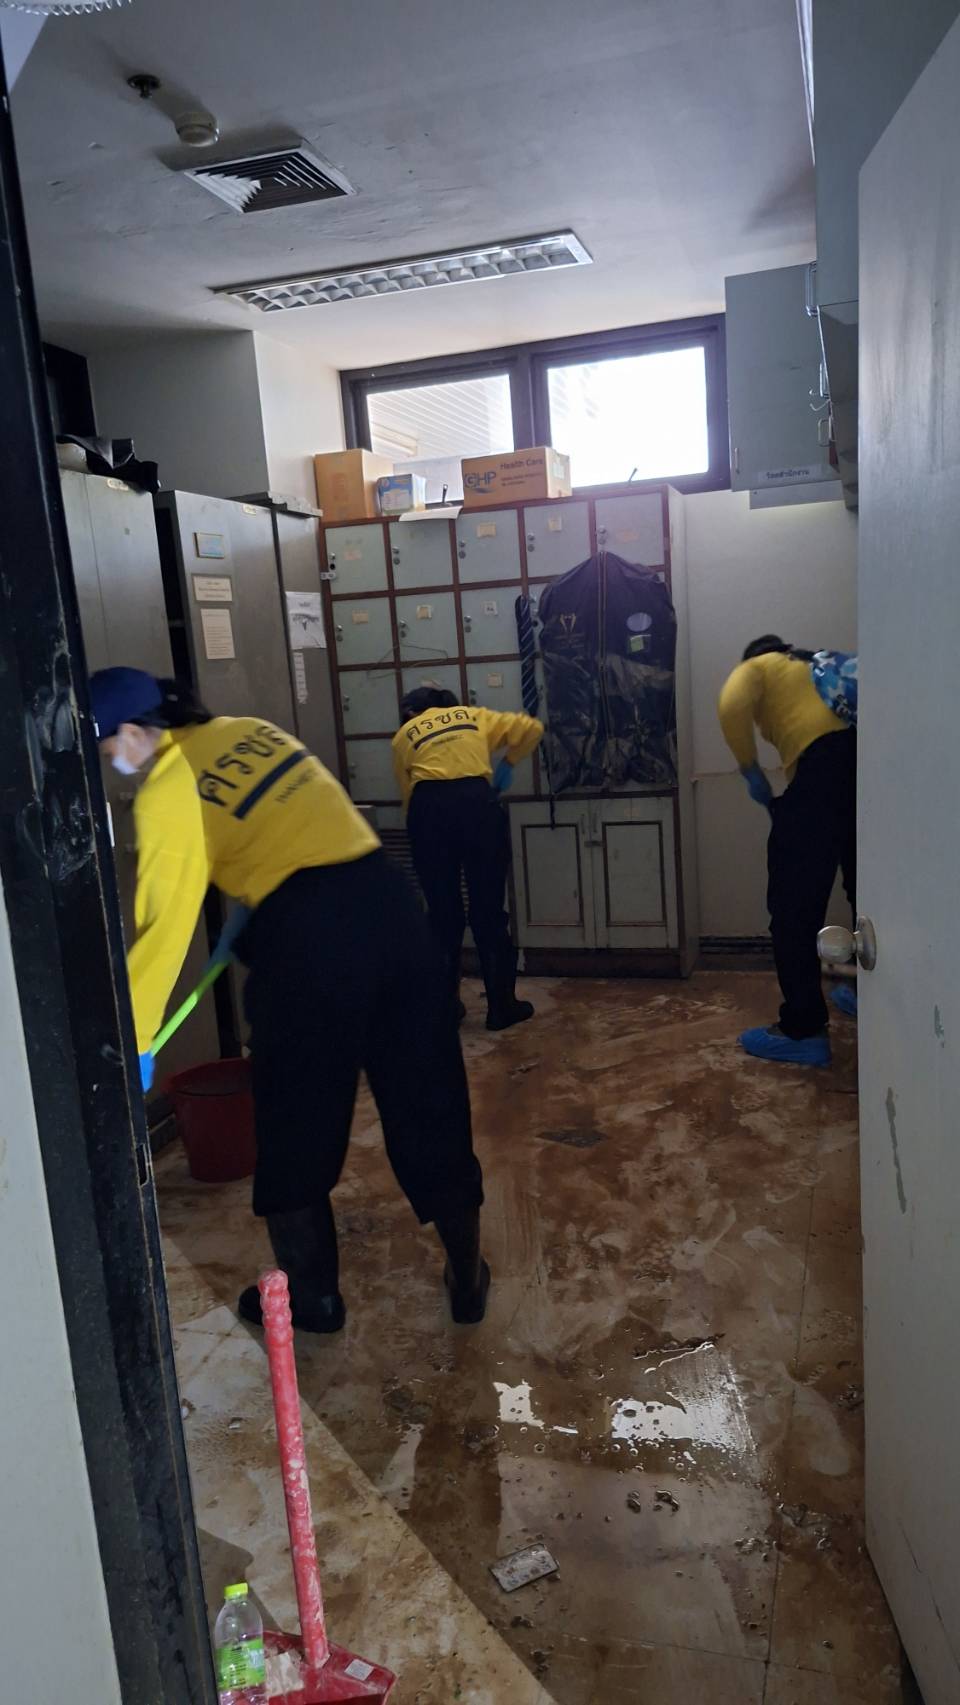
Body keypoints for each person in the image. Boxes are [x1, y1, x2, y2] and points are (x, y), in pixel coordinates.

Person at [88, 666, 489, 1333]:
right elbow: (314, 822)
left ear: (134, 731)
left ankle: (313, 1298)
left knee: (296, 1122)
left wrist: (134, 1041)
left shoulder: (165, 789)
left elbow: (164, 929)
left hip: (304, 948)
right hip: (389, 910)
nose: (114, 762)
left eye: (109, 748)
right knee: (430, 1099)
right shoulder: (251, 731)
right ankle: (468, 1281)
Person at [718, 635, 857, 1066]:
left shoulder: (762, 666)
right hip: (864, 764)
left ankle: (803, 1029)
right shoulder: (814, 667)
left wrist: (749, 769)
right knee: (865, 886)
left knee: (792, 906)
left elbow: (730, 702)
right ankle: (870, 994)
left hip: (821, 767)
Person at [392, 688, 544, 1031]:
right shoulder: (473, 716)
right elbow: (532, 728)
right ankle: (501, 1008)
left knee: (442, 916)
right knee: (488, 911)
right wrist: (508, 763)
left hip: (428, 811)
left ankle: (445, 1010)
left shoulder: (403, 735)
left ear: (413, 712)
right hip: (476, 806)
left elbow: (407, 794)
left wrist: (424, 830)